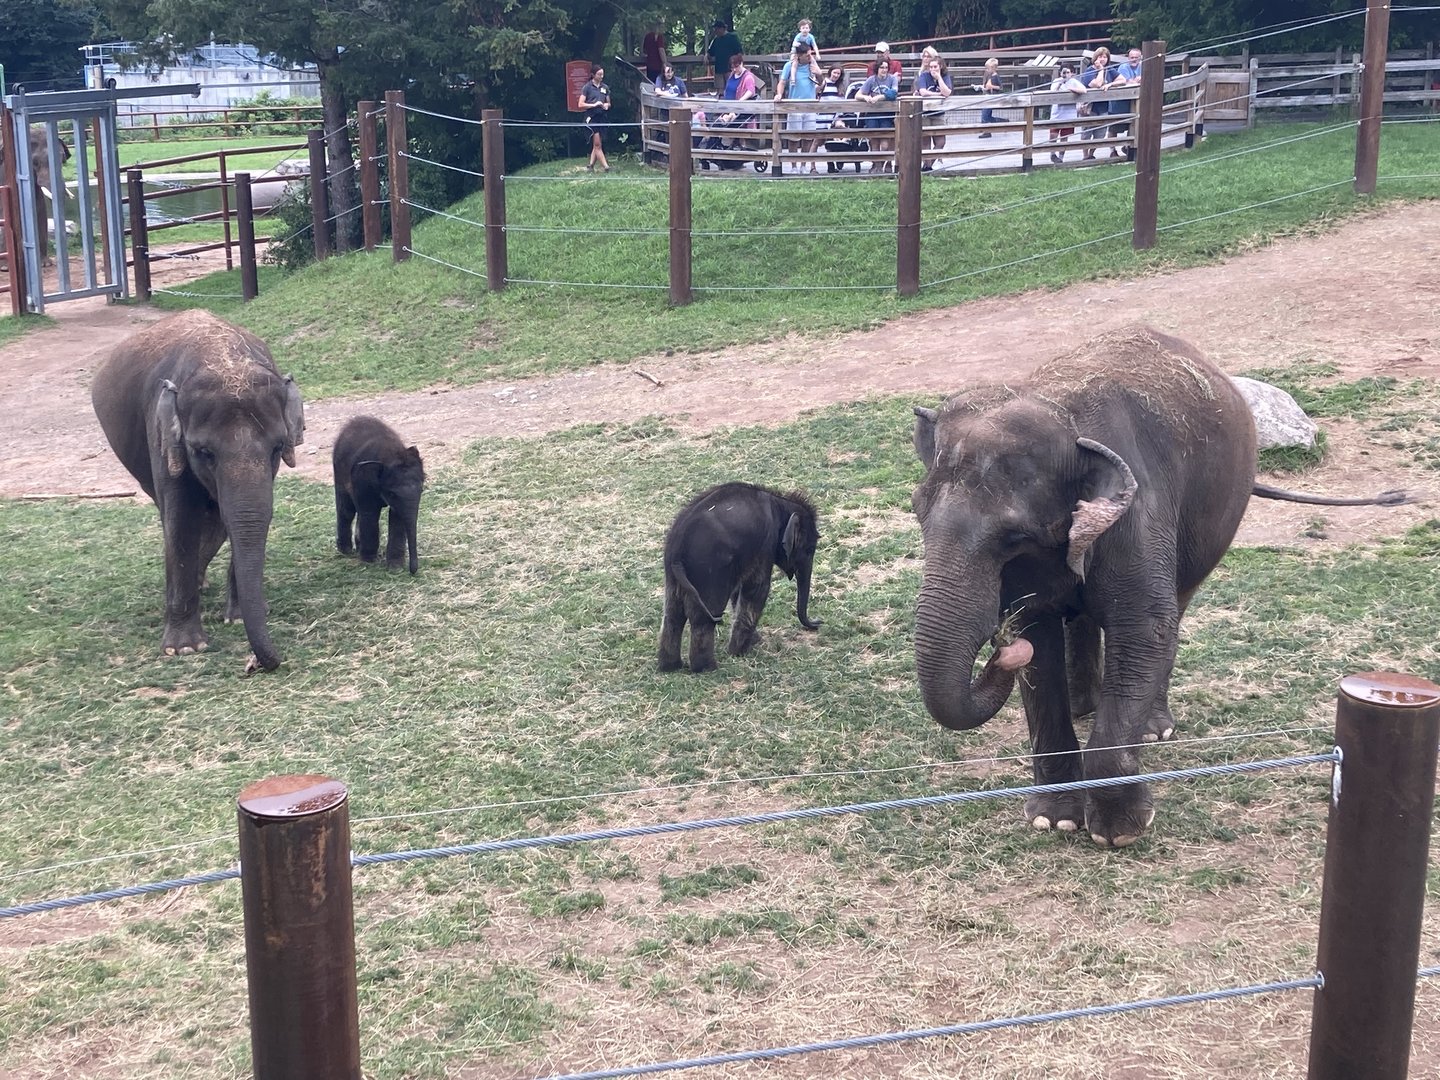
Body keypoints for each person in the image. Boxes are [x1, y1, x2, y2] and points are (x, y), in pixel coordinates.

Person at [776, 40, 823, 173]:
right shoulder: (789, 66)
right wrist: (779, 94)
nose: (810, 57)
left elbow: (821, 83)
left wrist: (818, 73)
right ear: (799, 56)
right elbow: (782, 82)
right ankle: (794, 166)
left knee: (808, 137)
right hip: (794, 105)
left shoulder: (812, 65)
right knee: (793, 138)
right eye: (807, 55)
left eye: (810, 54)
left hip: (810, 105)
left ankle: (804, 164)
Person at [1079, 46, 1123, 160]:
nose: (1103, 59)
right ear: (1095, 58)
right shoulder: (1089, 71)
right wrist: (1101, 70)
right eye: (1100, 56)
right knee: (1086, 133)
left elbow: (1123, 80)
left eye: (1105, 57)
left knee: (1100, 134)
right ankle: (1085, 155)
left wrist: (1110, 84)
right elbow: (1097, 84)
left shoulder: (1110, 69)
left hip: (1103, 107)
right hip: (1089, 107)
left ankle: (1091, 154)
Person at [857, 58, 900, 172]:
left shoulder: (892, 79)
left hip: (887, 114)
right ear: (877, 68)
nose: (884, 70)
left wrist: (879, 97)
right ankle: (877, 166)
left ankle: (887, 162)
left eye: (886, 67)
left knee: (885, 142)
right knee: (874, 140)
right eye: (882, 67)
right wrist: (865, 97)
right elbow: (858, 94)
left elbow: (893, 93)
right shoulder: (871, 80)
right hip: (872, 114)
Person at [915, 50, 952, 170]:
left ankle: (928, 164)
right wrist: (937, 94)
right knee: (925, 141)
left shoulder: (945, 77)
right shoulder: (924, 76)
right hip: (924, 113)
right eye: (931, 67)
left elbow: (947, 93)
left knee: (940, 142)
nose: (932, 69)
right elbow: (923, 92)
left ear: (940, 66)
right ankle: (927, 167)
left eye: (935, 66)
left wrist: (939, 78)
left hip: (939, 114)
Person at [1047, 63, 1087, 164]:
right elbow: (1052, 92)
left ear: (1072, 73)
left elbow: (1084, 90)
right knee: (1053, 135)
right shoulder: (1057, 81)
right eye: (1063, 72)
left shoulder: (1074, 82)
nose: (1065, 74)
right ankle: (1052, 154)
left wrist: (1072, 90)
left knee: (1064, 137)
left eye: (1068, 72)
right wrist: (1061, 83)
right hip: (1057, 113)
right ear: (1060, 73)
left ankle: (1061, 157)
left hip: (1069, 114)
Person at [577, 65, 611, 172]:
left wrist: (606, 105)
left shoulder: (605, 87)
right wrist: (594, 105)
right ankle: (606, 167)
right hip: (592, 117)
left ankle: (590, 166)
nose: (601, 76)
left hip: (602, 117)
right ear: (593, 75)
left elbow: (609, 102)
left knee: (597, 144)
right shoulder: (587, 87)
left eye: (602, 74)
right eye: (599, 74)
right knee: (597, 145)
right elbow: (580, 104)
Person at [972, 57, 1003, 136]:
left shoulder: (995, 76)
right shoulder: (989, 75)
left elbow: (1000, 87)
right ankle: (988, 130)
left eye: (988, 68)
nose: (986, 70)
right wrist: (979, 87)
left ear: (993, 68)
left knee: (985, 116)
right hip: (986, 97)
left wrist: (992, 86)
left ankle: (989, 130)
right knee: (986, 115)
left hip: (991, 98)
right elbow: (986, 86)